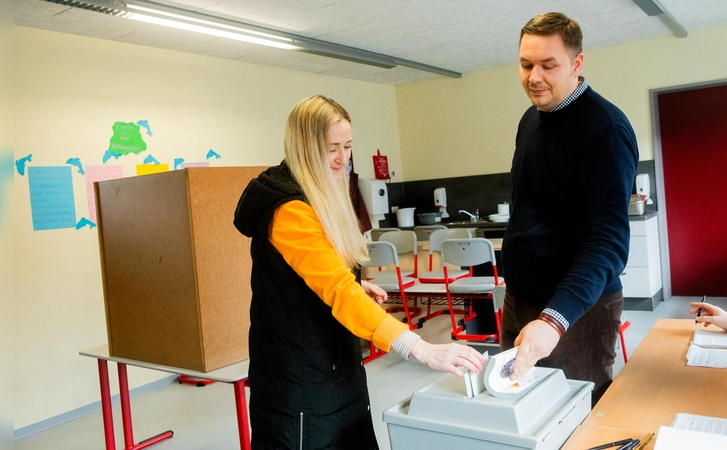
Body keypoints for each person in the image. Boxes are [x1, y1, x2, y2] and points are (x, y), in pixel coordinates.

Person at [233, 94, 484, 450]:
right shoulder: (290, 209)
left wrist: (355, 281)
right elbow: (336, 290)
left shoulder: (316, 193)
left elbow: (316, 273)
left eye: (348, 146)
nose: (342, 158)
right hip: (300, 379)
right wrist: (419, 347)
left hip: (332, 365)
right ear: (304, 148)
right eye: (331, 147)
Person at [500, 12, 639, 404]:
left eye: (548, 65)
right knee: (523, 405)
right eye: (526, 65)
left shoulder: (605, 129)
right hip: (521, 299)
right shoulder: (532, 119)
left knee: (575, 418)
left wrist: (553, 319)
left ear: (577, 63)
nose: (534, 77)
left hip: (577, 308)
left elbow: (607, 243)